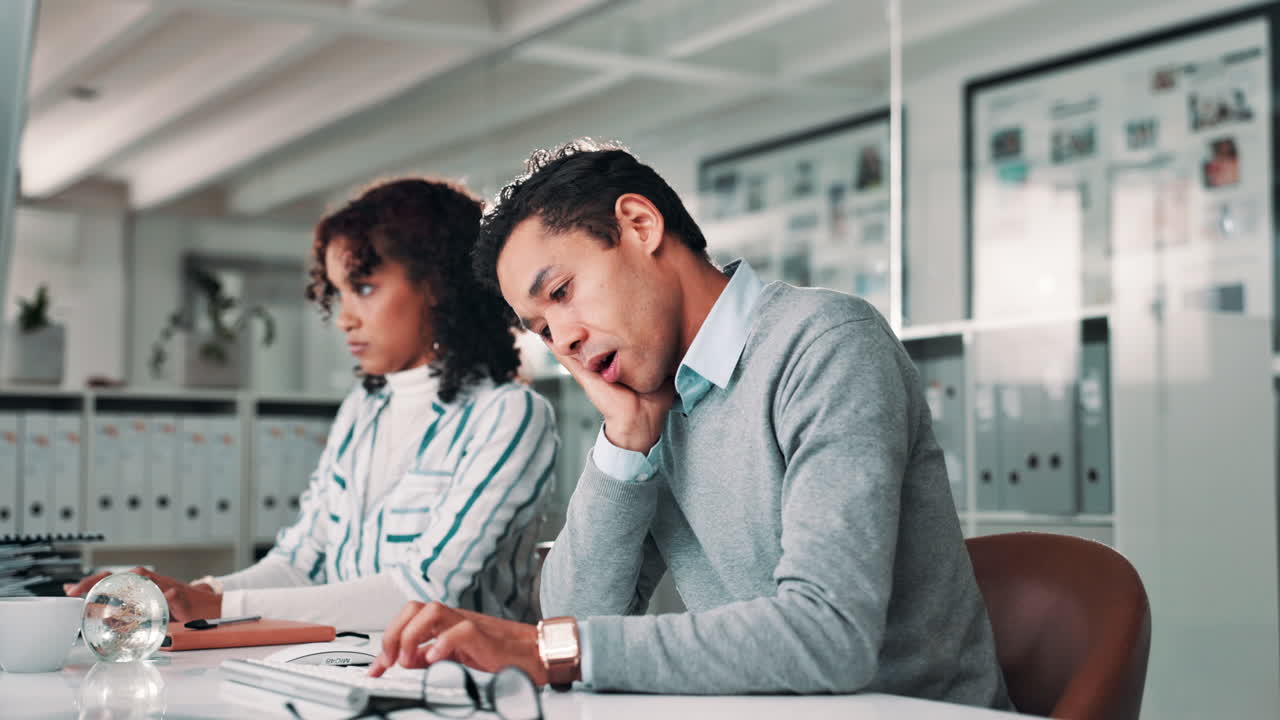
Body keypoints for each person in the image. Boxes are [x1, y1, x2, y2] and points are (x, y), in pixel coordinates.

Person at [367, 141, 1012, 709]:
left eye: (561, 292)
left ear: (640, 224)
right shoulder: (655, 400)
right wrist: (624, 446)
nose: (562, 340)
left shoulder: (826, 343)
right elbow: (571, 618)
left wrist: (555, 650)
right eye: (540, 329)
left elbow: (830, 635)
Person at [66, 178, 558, 630]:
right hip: (342, 664)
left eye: (363, 288)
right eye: (338, 293)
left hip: (462, 681)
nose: (344, 318)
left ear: (435, 286)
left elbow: (422, 593)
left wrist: (217, 606)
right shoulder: (363, 409)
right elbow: (300, 564)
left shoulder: (509, 415)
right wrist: (186, 595)